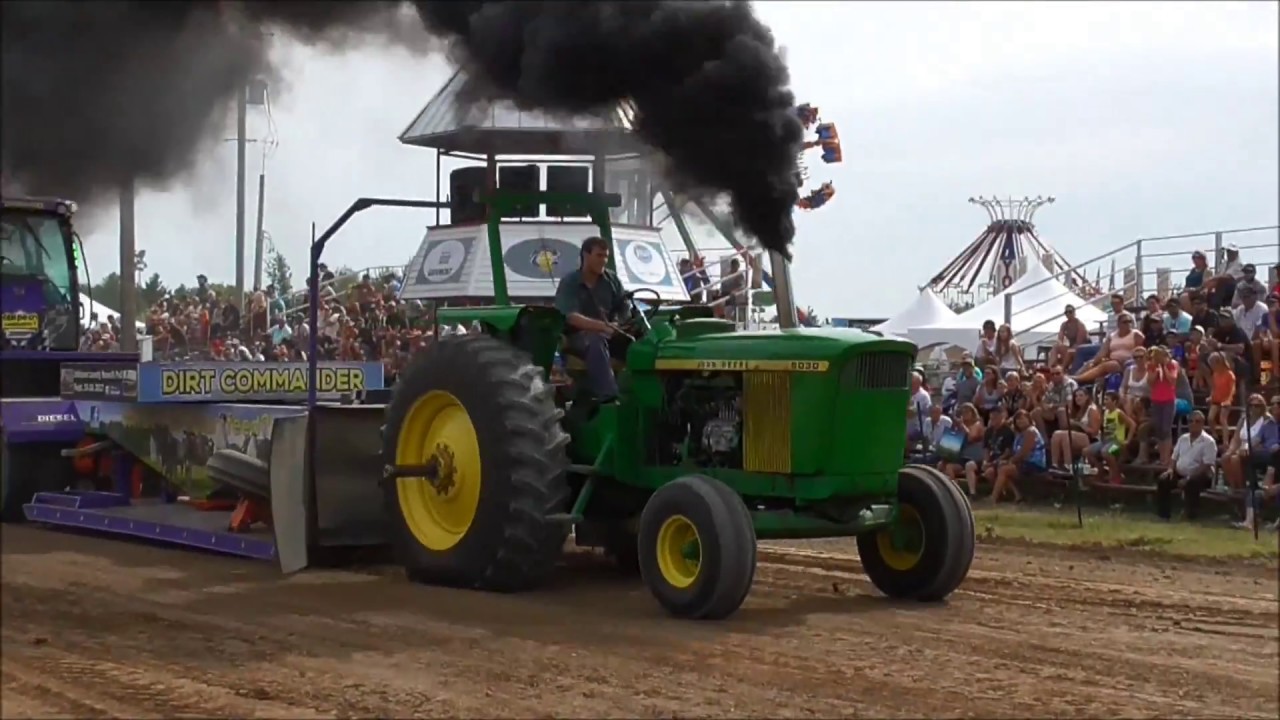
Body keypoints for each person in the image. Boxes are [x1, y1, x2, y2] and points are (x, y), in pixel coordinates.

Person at [553, 236, 631, 401]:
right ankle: (609, 397)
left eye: (606, 256)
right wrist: (603, 326)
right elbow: (571, 316)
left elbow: (624, 306)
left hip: (610, 334)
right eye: (599, 255)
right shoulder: (570, 282)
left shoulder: (612, 280)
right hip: (577, 337)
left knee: (640, 343)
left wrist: (617, 322)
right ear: (585, 256)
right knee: (595, 341)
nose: (603, 261)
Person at [1155, 411, 1218, 521]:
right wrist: (1170, 470)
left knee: (1192, 483)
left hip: (1201, 474)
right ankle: (1163, 515)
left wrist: (1188, 478)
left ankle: (1190, 515)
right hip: (1180, 473)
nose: (1193, 424)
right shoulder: (1182, 438)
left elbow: (1207, 465)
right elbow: (1174, 457)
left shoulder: (1209, 442)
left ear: (1202, 424)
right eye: (1190, 421)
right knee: (1163, 479)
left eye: (1197, 421)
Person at [991, 409, 1045, 504]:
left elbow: (1024, 452)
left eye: (1022, 419)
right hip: (1023, 462)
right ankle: (1018, 496)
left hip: (1034, 463)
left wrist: (1010, 461)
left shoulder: (1030, 431)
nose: (1020, 421)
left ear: (1029, 419)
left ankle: (993, 498)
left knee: (1004, 470)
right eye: (1018, 420)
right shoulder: (1019, 434)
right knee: (1000, 468)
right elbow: (1015, 452)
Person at [1084, 390, 1135, 485]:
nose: (1105, 402)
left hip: (1117, 442)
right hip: (1106, 441)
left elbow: (1132, 425)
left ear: (1114, 401)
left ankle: (1116, 475)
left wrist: (1127, 440)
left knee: (1106, 452)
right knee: (1087, 451)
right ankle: (1101, 471)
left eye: (1107, 399)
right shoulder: (1106, 412)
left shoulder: (1119, 413)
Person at [1147, 345, 1180, 468]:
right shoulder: (1152, 366)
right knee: (1158, 429)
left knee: (1166, 428)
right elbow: (1150, 382)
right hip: (1156, 400)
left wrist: (1164, 367)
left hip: (1168, 400)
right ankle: (1161, 456)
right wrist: (1156, 370)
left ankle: (1166, 458)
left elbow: (1172, 380)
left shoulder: (1172, 365)